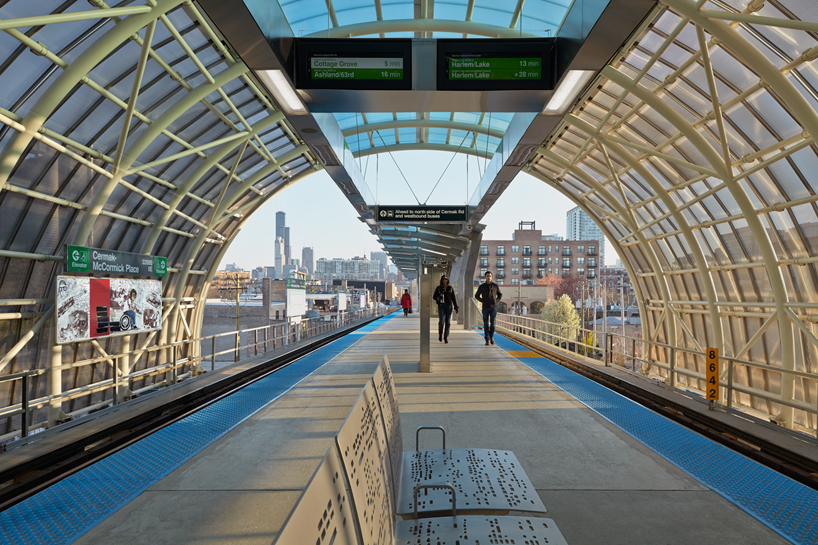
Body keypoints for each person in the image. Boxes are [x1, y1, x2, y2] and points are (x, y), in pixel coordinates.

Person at [474, 271, 502, 346]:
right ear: (485, 277)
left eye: (490, 276)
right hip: (485, 308)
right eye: (487, 276)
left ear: (492, 277)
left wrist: (496, 301)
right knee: (486, 324)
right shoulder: (482, 286)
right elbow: (476, 295)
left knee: (493, 324)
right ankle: (487, 339)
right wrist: (483, 300)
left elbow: (500, 295)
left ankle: (491, 337)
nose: (488, 277)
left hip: (493, 308)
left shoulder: (495, 286)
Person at [433, 275, 459, 343]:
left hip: (449, 307)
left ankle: (446, 336)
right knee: (441, 321)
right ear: (441, 280)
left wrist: (456, 307)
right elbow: (434, 297)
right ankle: (440, 334)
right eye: (443, 279)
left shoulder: (450, 288)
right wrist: (438, 298)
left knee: (448, 322)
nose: (445, 280)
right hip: (441, 306)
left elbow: (453, 298)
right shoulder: (439, 288)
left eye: (446, 279)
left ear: (447, 280)